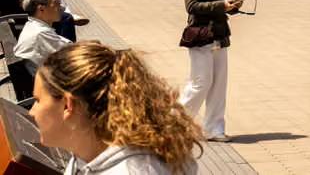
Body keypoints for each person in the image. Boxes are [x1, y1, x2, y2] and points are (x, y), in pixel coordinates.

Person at [30, 42, 202, 175]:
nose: (31, 112)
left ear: (68, 105)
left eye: (37, 100)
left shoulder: (134, 170)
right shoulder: (86, 155)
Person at [179, 0, 242, 143]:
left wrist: (232, 6)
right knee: (201, 83)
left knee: (219, 85)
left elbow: (221, 4)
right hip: (201, 34)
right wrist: (221, 5)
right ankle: (174, 123)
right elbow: (192, 6)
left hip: (220, 34)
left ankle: (214, 129)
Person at [15, 0, 72, 73]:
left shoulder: (34, 26)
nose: (62, 7)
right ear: (41, 9)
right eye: (57, 3)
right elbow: (73, 55)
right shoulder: (40, 33)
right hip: (47, 83)